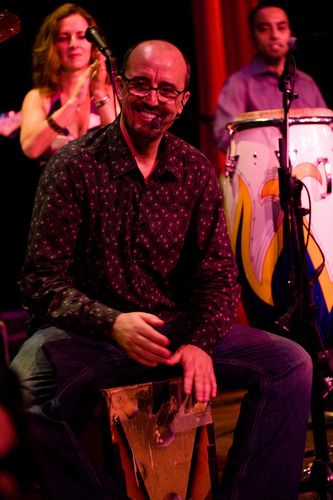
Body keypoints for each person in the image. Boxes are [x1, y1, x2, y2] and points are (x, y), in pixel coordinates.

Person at [10, 39, 312, 500]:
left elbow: (217, 276)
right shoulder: (72, 167)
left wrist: (198, 342)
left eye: (166, 89)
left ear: (183, 100)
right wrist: (112, 323)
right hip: (88, 335)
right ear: (120, 84)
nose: (153, 99)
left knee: (292, 365)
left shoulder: (193, 169)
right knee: (22, 397)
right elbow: (39, 280)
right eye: (141, 85)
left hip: (173, 329)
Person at [213, 2, 327, 152]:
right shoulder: (238, 83)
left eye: (281, 28)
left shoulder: (306, 82)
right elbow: (223, 134)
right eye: (264, 29)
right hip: (262, 171)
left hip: (309, 170)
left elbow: (327, 128)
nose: (274, 35)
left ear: (289, 34)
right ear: (252, 37)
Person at [20, 3, 120, 166]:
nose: (73, 44)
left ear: (94, 44)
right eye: (63, 38)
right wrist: (72, 103)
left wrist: (100, 93)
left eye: (82, 36)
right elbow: (31, 149)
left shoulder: (111, 93)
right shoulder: (38, 98)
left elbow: (121, 148)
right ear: (52, 46)